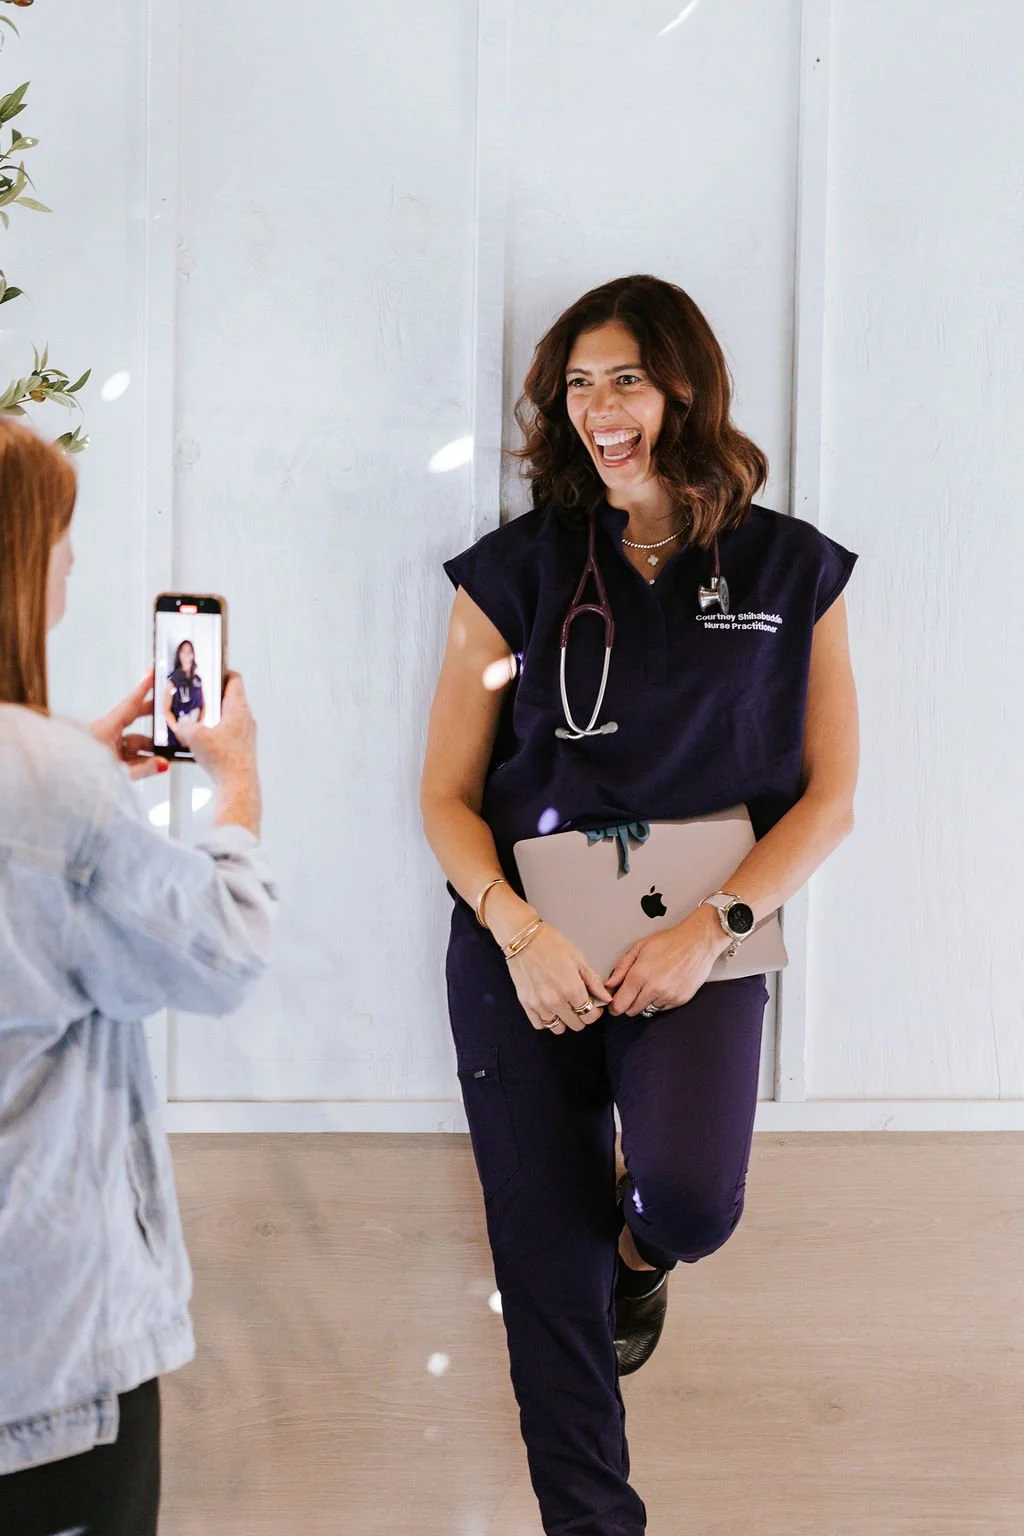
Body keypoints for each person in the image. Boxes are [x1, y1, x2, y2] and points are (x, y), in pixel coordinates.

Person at [420, 274, 860, 1536]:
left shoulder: (792, 568)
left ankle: (638, 1268)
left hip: (700, 946)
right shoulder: (514, 571)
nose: (601, 409)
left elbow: (827, 799)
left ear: (684, 388)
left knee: (686, 1201)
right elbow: (446, 798)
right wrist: (517, 930)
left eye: (626, 379)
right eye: (577, 385)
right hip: (528, 955)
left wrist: (707, 933)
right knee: (543, 1281)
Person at [0, 417, 277, 1535]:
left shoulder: (51, 774)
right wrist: (237, 784)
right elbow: (222, 951)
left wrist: (67, 755)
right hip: (45, 1351)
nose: (69, 568)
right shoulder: (48, 786)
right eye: (61, 544)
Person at [163, 639, 205, 751]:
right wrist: (178, 731)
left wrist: (198, 727)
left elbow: (203, 706)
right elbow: (166, 711)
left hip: (193, 734)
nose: (186, 654)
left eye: (189, 651)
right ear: (179, 654)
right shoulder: (172, 680)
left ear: (193, 655)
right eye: (183, 651)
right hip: (177, 736)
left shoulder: (197, 680)